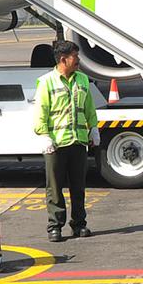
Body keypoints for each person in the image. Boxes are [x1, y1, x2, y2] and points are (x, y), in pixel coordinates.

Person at [33, 39, 99, 242]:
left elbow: (88, 107)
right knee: (54, 188)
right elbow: (40, 112)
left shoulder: (82, 80)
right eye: (75, 57)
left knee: (78, 187)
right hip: (56, 144)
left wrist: (93, 127)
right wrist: (44, 135)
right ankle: (55, 226)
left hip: (78, 142)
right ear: (64, 59)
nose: (78, 60)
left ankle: (79, 224)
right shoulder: (46, 82)